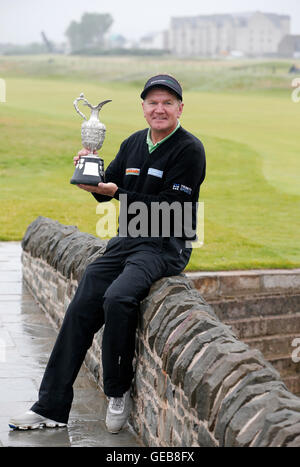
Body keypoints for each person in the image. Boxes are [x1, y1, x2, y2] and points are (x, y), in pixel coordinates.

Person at [9, 74, 206, 434]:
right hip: (127, 241)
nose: (159, 109)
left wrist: (117, 192)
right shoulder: (133, 143)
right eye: (152, 102)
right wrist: (88, 173)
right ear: (143, 107)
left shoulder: (189, 149)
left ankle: (118, 390)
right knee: (83, 303)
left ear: (180, 108)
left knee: (118, 297)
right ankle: (49, 406)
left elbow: (173, 207)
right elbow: (106, 189)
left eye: (167, 103)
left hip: (165, 246)